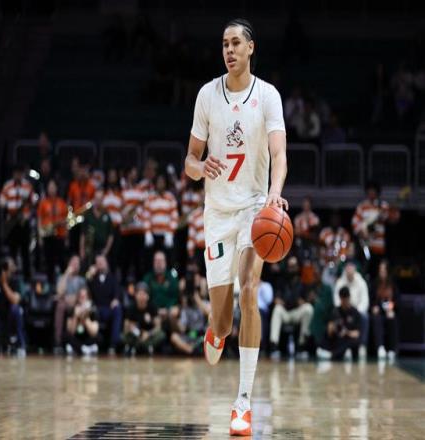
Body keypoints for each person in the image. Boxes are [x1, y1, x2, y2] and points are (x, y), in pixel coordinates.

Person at [184, 18, 287, 435]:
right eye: (224, 44)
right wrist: (199, 167)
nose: (228, 50)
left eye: (235, 43)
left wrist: (275, 193)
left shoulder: (268, 95)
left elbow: (279, 155)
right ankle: (215, 331)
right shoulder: (207, 95)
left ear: (250, 48)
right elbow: (189, 160)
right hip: (218, 214)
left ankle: (243, 401)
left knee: (250, 288)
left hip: (254, 209)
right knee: (223, 321)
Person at [269, 256, 313, 359]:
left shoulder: (302, 283)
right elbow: (276, 298)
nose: (291, 269)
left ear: (297, 267)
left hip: (296, 313)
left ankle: (302, 345)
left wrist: (304, 301)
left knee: (308, 308)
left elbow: (306, 300)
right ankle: (274, 345)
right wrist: (278, 300)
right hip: (285, 312)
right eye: (290, 266)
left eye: (294, 266)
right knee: (277, 309)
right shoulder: (282, 281)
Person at [0, 164, 37, 280]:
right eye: (16, 173)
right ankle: (11, 277)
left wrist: (27, 215)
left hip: (23, 223)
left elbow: (34, 202)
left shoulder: (27, 186)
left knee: (25, 251)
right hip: (12, 222)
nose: (18, 175)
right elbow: (1, 202)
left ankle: (27, 278)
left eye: (20, 173)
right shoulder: (8, 186)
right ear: (13, 173)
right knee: (12, 251)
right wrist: (8, 210)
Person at [352, 181, 390, 275]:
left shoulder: (383, 206)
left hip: (379, 245)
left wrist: (382, 215)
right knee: (366, 270)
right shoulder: (362, 206)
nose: (371, 193)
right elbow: (355, 222)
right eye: (370, 191)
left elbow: (390, 218)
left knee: (379, 271)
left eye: (373, 191)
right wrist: (362, 232)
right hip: (366, 244)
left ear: (377, 192)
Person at [86, 255, 122, 354]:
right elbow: (86, 289)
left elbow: (117, 292)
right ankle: (91, 343)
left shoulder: (112, 277)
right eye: (98, 262)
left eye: (102, 261)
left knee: (117, 309)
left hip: (108, 308)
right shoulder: (92, 278)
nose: (100, 264)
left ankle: (114, 344)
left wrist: (116, 299)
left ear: (106, 263)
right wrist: (89, 275)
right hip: (95, 308)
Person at [333, 261, 369, 360]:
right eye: (347, 269)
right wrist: (343, 309)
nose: (349, 271)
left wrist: (356, 312)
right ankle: (340, 348)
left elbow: (365, 301)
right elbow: (336, 300)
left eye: (351, 269)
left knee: (364, 317)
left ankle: (362, 345)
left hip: (357, 312)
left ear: (355, 270)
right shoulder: (340, 282)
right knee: (336, 315)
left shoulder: (361, 282)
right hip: (343, 310)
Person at [142, 173, 179, 265]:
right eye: (158, 182)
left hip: (166, 235)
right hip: (153, 235)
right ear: (155, 183)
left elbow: (174, 218)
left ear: (165, 183)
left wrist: (170, 233)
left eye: (162, 182)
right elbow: (146, 217)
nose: (160, 184)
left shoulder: (170, 198)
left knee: (169, 261)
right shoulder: (150, 198)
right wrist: (147, 232)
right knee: (151, 261)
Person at [316, 287, 361, 361]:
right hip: (338, 339)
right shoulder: (335, 311)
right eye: (343, 299)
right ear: (340, 298)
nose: (345, 301)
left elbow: (357, 334)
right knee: (328, 337)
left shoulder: (355, 312)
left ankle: (332, 355)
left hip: (348, 339)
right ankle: (328, 351)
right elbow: (329, 332)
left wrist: (347, 332)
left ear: (349, 298)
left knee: (353, 342)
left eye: (346, 298)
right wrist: (332, 328)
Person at [37, 179, 68, 284]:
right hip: (47, 235)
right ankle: (50, 283)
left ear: (56, 188)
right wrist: (40, 236)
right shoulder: (43, 203)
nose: (51, 189)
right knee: (49, 261)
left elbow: (66, 220)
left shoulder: (62, 203)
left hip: (60, 235)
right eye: (49, 187)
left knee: (62, 260)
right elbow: (39, 220)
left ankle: (63, 283)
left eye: (53, 187)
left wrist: (64, 229)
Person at [53, 255, 86, 353]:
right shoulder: (62, 277)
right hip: (64, 305)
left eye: (77, 264)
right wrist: (66, 274)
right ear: (69, 264)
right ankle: (58, 342)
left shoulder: (81, 280)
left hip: (77, 304)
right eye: (73, 263)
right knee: (60, 306)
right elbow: (59, 292)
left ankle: (74, 342)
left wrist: (70, 298)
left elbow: (83, 296)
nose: (75, 265)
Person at [122, 282, 165, 356]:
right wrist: (136, 332)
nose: (142, 297)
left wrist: (148, 334)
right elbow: (126, 327)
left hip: (149, 335)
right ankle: (144, 346)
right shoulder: (131, 307)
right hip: (135, 334)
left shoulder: (152, 306)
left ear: (148, 296)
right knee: (123, 336)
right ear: (135, 295)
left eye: (144, 294)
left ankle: (140, 347)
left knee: (161, 335)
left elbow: (158, 327)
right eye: (139, 294)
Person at [120, 166, 147, 281]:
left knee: (138, 261)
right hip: (126, 231)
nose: (134, 175)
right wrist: (133, 208)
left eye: (135, 172)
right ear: (127, 175)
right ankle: (123, 284)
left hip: (139, 230)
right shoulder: (124, 192)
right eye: (132, 172)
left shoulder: (141, 191)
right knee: (125, 260)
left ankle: (140, 285)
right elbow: (122, 212)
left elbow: (144, 210)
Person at [371, 260, 398, 361]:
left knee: (392, 318)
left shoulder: (393, 284)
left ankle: (392, 349)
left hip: (390, 311)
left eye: (383, 270)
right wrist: (374, 307)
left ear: (387, 271)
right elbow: (372, 299)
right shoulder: (375, 283)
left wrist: (392, 307)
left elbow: (397, 300)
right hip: (379, 311)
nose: (381, 272)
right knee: (377, 318)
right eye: (380, 270)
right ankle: (380, 347)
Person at [67, 164, 95, 255]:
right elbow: (69, 202)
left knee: (87, 241)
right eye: (81, 171)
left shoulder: (91, 186)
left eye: (84, 171)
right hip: (75, 218)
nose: (82, 174)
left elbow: (93, 203)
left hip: (87, 218)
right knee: (74, 241)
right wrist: (70, 214)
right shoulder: (73, 185)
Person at [65, 287, 99, 357]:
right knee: (67, 337)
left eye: (84, 296)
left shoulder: (93, 310)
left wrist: (85, 317)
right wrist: (75, 316)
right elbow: (71, 332)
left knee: (98, 338)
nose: (82, 298)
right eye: (80, 296)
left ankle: (80, 348)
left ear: (88, 298)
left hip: (88, 338)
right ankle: (83, 348)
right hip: (77, 337)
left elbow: (93, 332)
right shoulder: (72, 310)